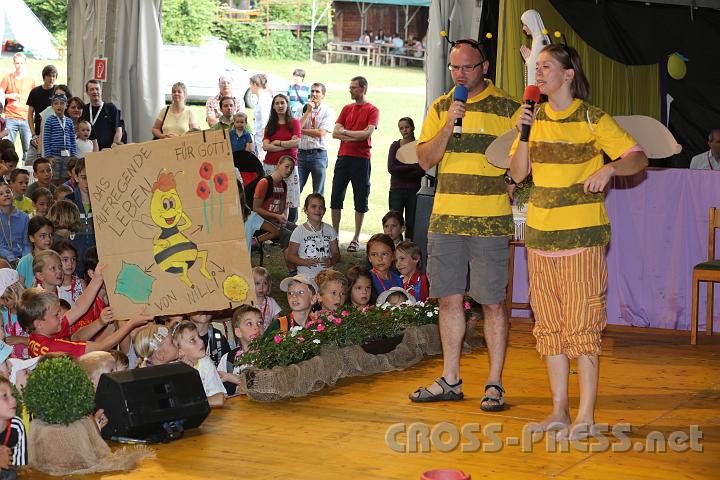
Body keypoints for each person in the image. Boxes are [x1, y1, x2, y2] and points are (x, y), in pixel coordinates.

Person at [509, 44, 648, 439]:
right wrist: (524, 131)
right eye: (536, 67)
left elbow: (638, 158)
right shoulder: (532, 120)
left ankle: (586, 414)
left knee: (582, 325)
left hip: (582, 240)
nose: (538, 73)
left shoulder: (591, 117)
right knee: (549, 326)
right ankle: (559, 410)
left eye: (546, 66)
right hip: (539, 239)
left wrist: (609, 168)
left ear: (568, 75)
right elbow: (518, 174)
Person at [410, 38, 520, 411]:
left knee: (491, 303)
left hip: (490, 222)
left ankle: (494, 383)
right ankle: (451, 378)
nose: (460, 74)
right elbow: (424, 160)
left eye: (468, 67)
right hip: (446, 221)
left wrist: (515, 182)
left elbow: (524, 160)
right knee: (449, 301)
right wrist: (447, 125)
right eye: (455, 67)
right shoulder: (442, 106)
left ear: (484, 67)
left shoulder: (509, 107)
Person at [18, 266, 153, 358]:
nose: (62, 316)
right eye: (56, 314)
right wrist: (132, 323)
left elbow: (78, 307)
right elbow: (102, 346)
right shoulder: (54, 347)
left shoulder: (45, 330)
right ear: (39, 323)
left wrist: (97, 279)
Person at [331, 76, 379, 252]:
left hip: (361, 159)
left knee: (360, 198)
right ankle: (334, 236)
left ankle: (356, 237)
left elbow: (366, 134)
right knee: (336, 197)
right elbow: (334, 134)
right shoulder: (346, 108)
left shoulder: (372, 109)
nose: (350, 90)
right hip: (343, 157)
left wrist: (346, 133)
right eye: (350, 87)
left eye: (353, 87)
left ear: (363, 89)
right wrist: (352, 134)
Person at [262, 94, 301, 223]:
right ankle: (270, 229)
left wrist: (277, 142)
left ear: (287, 104)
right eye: (277, 103)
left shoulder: (294, 123)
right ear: (273, 106)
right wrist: (286, 145)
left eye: (282, 103)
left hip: (288, 167)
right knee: (270, 199)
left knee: (286, 200)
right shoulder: (271, 125)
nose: (280, 106)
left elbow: (296, 143)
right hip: (271, 165)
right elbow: (265, 146)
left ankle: (283, 230)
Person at [285, 193, 340, 282]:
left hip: (327, 278)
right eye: (313, 206)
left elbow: (336, 254)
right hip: (306, 277)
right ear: (306, 210)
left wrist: (332, 261)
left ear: (325, 210)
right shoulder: (299, 231)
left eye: (321, 207)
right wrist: (305, 262)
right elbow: (290, 256)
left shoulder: (330, 230)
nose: (317, 210)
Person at [172, 321, 226, 407]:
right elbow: (180, 403)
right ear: (180, 351)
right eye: (192, 340)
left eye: (199, 336)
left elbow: (218, 395)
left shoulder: (205, 362)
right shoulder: (174, 370)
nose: (201, 341)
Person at [387, 118, 424, 240]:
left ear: (413, 127)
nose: (404, 130)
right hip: (397, 190)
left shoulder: (419, 146)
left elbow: (421, 170)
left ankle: (408, 246)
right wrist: (411, 167)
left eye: (407, 127)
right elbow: (392, 168)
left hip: (414, 190)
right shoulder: (395, 146)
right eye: (401, 128)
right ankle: (395, 245)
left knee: (412, 221)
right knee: (394, 220)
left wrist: (401, 168)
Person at [217, 305, 264, 395]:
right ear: (238, 332)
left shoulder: (269, 355)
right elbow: (219, 389)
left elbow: (266, 384)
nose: (256, 327)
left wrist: (233, 378)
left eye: (260, 322)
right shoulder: (228, 359)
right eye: (249, 323)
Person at [298, 82, 334, 195]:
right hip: (301, 154)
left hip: (318, 155)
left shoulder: (328, 111)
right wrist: (308, 112)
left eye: (317, 91)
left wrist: (302, 131)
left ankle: (316, 212)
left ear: (323, 95)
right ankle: (292, 213)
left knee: (318, 193)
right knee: (295, 190)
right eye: (312, 91)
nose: (314, 94)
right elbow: (295, 128)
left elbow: (320, 133)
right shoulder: (302, 109)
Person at [0, 53, 35, 164]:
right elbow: (1, 93)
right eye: (17, 63)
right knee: (8, 148)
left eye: (21, 63)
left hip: (25, 117)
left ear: (25, 63)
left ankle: (26, 172)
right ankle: (8, 172)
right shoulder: (7, 78)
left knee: (27, 148)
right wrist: (9, 96)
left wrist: (32, 114)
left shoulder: (30, 79)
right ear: (14, 63)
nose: (19, 65)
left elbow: (34, 97)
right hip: (11, 117)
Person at [26, 65, 58, 164]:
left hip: (53, 133)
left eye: (53, 76)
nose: (51, 78)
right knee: (30, 161)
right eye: (49, 76)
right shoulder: (35, 92)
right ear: (44, 77)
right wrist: (33, 134)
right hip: (38, 132)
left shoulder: (58, 91)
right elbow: (30, 114)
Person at [81, 80, 123, 150]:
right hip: (89, 152)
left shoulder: (110, 108)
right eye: (91, 89)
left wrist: (114, 147)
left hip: (107, 151)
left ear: (101, 91)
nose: (95, 92)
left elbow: (118, 130)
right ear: (87, 93)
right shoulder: (84, 109)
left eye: (97, 89)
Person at [16, 215, 54, 288]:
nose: (48, 239)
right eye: (43, 236)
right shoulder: (25, 262)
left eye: (51, 235)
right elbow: (19, 290)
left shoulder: (56, 259)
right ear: (32, 238)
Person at [0, 376, 27, 475]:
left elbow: (21, 468)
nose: (13, 400)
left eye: (12, 395)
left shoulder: (17, 426)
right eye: (5, 396)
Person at [0, 182, 30, 266]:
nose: (6, 195)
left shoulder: (24, 217)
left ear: (13, 194)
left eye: (8, 192)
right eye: (1, 194)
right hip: (3, 257)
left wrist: (25, 259)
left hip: (21, 257)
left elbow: (27, 243)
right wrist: (11, 258)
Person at [42, 94, 78, 163]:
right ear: (52, 106)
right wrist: (49, 156)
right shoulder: (49, 120)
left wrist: (73, 155)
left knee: (66, 173)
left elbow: (72, 139)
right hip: (54, 156)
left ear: (66, 105)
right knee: (55, 173)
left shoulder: (69, 121)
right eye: (56, 103)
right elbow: (46, 139)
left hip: (68, 155)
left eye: (62, 103)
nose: (59, 105)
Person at [366, 233, 402, 298]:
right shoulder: (366, 280)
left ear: (393, 255)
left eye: (384, 254)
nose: (379, 259)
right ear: (369, 257)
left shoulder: (399, 280)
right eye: (374, 254)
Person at [249, 74, 273, 158]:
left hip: (262, 139)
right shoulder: (260, 98)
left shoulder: (264, 100)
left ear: (255, 85)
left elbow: (265, 124)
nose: (250, 87)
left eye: (250, 84)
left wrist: (263, 147)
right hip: (258, 137)